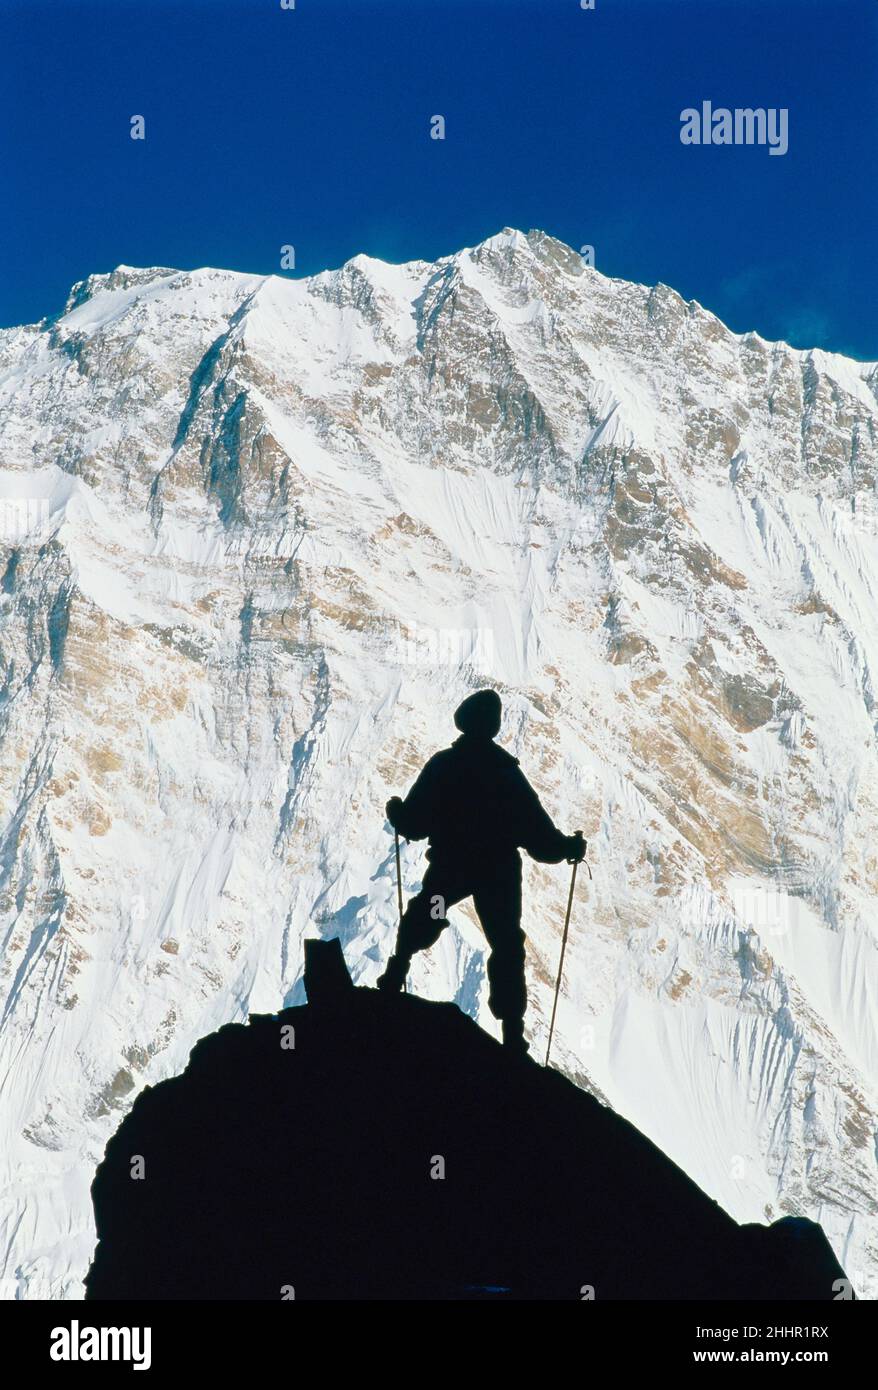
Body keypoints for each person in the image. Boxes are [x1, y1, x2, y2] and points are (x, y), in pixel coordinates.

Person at [377, 689, 585, 1056]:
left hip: (451, 869)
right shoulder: (508, 776)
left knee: (429, 911)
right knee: (505, 943)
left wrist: (397, 811)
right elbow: (539, 837)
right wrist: (568, 846)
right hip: (498, 877)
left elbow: (415, 822)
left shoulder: (444, 766)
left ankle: (396, 972)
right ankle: (512, 1032)